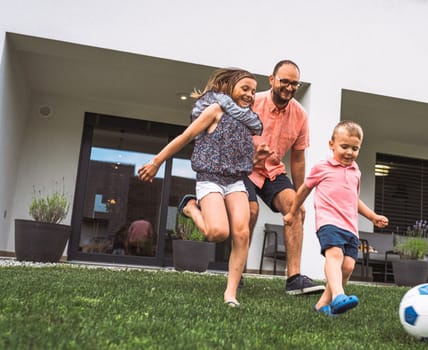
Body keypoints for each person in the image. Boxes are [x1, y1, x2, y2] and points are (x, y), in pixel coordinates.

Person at [138, 68, 262, 307]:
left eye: (253, 92)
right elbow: (184, 138)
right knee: (218, 233)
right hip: (210, 178)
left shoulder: (247, 123)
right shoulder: (215, 110)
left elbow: (237, 156)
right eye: (245, 89)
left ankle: (230, 294)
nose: (250, 95)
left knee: (242, 232)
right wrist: (156, 162)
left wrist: (260, 156)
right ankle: (191, 209)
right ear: (229, 87)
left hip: (235, 180)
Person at [284, 120, 389, 316]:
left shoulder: (355, 171)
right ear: (331, 144)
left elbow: (354, 199)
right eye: (344, 147)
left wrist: (372, 216)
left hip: (350, 226)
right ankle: (339, 295)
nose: (349, 152)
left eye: (355, 148)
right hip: (328, 222)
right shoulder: (322, 167)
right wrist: (292, 212)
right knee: (335, 256)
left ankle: (322, 306)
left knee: (348, 266)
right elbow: (303, 190)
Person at [244, 59, 324, 295]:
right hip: (245, 168)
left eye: (294, 84)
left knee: (295, 210)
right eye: (284, 81)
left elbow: (297, 159)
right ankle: (236, 273)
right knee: (250, 211)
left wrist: (301, 196)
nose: (289, 88)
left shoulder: (300, 115)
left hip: (273, 171)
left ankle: (294, 280)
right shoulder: (252, 102)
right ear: (272, 79)